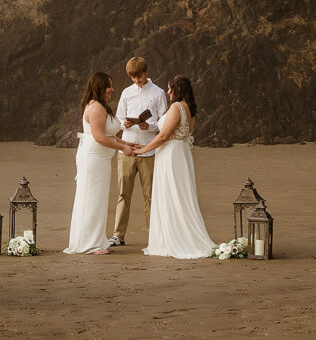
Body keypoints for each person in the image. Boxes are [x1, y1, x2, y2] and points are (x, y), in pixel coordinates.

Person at [136, 75, 216, 259]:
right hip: (179, 153)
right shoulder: (188, 108)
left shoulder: (176, 107)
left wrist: (144, 150)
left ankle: (174, 239)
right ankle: (175, 234)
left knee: (171, 194)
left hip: (171, 155)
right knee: (178, 194)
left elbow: (164, 136)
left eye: (170, 88)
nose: (168, 91)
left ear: (177, 89)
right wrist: (144, 147)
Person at [64, 72, 137, 255]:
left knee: (98, 199)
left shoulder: (100, 106)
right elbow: (99, 137)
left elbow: (109, 135)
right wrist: (122, 149)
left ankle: (95, 239)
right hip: (93, 159)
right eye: (109, 86)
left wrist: (126, 144)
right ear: (100, 87)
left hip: (101, 159)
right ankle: (89, 244)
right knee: (91, 199)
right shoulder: (95, 108)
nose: (112, 89)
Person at [109, 57, 167, 247]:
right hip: (126, 148)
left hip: (148, 150)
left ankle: (153, 235)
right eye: (133, 78)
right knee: (123, 194)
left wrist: (147, 125)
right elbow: (118, 117)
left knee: (150, 195)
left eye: (139, 77)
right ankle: (118, 234)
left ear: (146, 72)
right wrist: (124, 123)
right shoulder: (126, 92)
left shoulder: (158, 93)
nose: (136, 81)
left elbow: (163, 122)